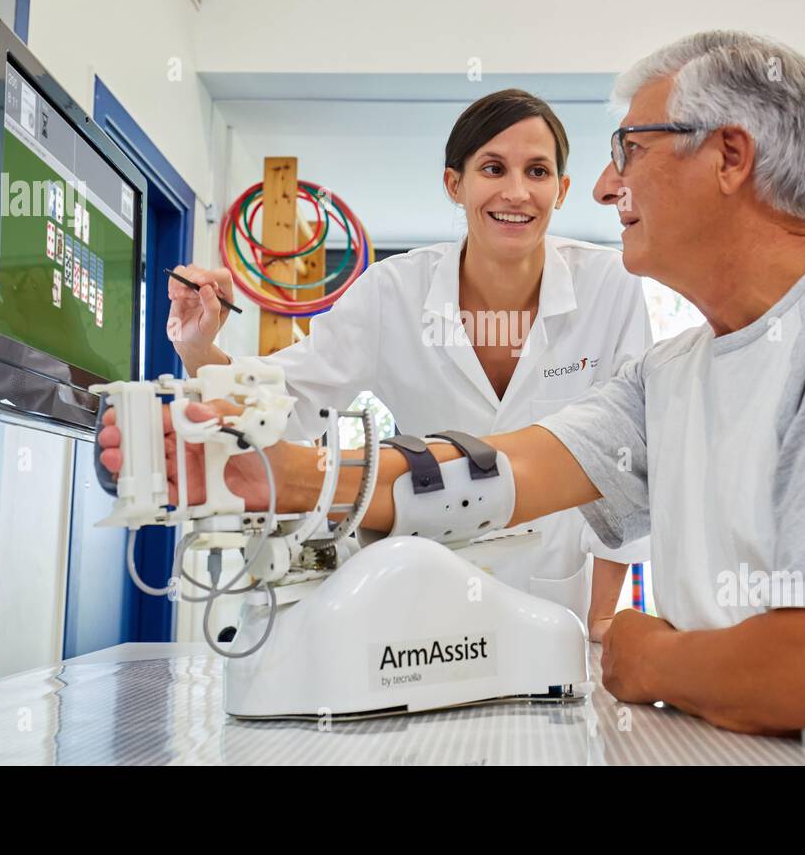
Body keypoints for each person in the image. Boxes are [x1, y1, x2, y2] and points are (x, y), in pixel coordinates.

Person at [102, 31, 805, 764]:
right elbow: (496, 469)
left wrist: (641, 651)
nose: (606, 186)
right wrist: (263, 470)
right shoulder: (678, 367)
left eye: (630, 149)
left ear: (729, 157)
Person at [167, 89, 651, 638]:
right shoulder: (391, 293)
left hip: (562, 605)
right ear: (455, 183)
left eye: (537, 171)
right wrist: (197, 348)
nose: (517, 192)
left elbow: (627, 461)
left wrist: (600, 618)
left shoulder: (610, 285)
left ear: (560, 190)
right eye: (493, 168)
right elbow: (292, 401)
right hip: (424, 599)